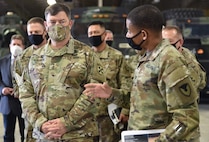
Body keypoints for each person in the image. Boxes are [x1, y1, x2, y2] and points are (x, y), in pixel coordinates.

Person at [84, 5, 200, 141]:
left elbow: (187, 118)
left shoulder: (169, 60)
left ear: (143, 34)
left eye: (129, 31)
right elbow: (140, 100)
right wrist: (110, 94)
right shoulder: (147, 57)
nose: (127, 36)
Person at [18, 3, 105, 142]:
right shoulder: (34, 57)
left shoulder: (87, 54)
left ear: (70, 23)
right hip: (43, 135)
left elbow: (94, 93)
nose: (57, 25)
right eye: (53, 22)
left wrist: (66, 123)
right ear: (46, 25)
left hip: (78, 135)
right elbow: (26, 93)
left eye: (62, 21)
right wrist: (40, 123)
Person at [87, 21, 131, 142]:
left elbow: (126, 83)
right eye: (90, 33)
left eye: (96, 33)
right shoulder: (83, 57)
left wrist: (126, 110)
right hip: (87, 117)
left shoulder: (116, 56)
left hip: (109, 116)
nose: (93, 36)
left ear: (104, 35)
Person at [14, 17, 48, 142]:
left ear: (45, 31)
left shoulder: (54, 53)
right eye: (31, 33)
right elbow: (16, 81)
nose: (33, 35)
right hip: (31, 111)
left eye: (37, 32)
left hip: (52, 109)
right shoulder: (23, 57)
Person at [162, 25, 206, 95]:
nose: (166, 46)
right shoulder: (161, 56)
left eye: (170, 42)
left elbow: (195, 84)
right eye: (163, 42)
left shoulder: (187, 57)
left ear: (180, 42)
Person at [0, 34, 25, 142]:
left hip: (24, 104)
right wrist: (2, 89)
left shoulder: (28, 61)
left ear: (23, 47)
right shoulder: (2, 61)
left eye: (18, 44)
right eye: (14, 44)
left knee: (25, 133)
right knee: (8, 134)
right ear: (10, 46)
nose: (16, 47)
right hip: (7, 104)